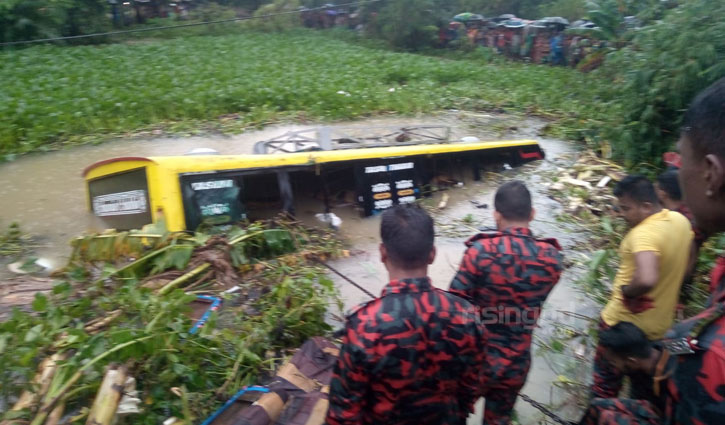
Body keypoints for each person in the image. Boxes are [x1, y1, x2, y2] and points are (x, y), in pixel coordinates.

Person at [326, 205, 486, 425]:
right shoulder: (467, 315)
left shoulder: (363, 325)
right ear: (432, 254)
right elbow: (470, 388)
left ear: (382, 253)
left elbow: (343, 414)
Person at [449, 180, 563, 425]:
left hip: (476, 363)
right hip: (517, 363)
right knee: (499, 420)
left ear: (496, 215)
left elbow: (454, 307)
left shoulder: (479, 251)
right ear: (532, 214)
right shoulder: (552, 258)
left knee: (453, 415)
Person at [592, 175, 693, 400]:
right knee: (644, 389)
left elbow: (646, 278)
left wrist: (627, 292)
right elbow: (688, 264)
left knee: (604, 387)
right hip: (658, 330)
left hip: (620, 327)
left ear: (646, 206)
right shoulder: (681, 222)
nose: (622, 214)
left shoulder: (643, 234)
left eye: (626, 209)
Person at [667, 76, 725, 425]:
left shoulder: (708, 351)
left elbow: (692, 344)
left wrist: (666, 349)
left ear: (711, 173)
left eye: (681, 159)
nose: (678, 171)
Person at [579, 322, 671, 425]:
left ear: (631, 361)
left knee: (609, 418)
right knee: (596, 405)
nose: (613, 367)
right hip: (655, 412)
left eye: (613, 363)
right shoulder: (638, 366)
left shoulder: (676, 375)